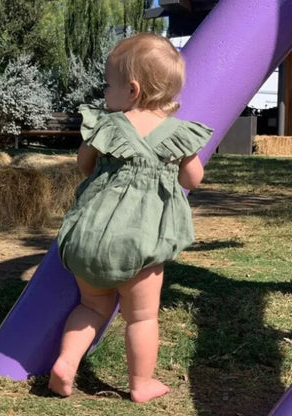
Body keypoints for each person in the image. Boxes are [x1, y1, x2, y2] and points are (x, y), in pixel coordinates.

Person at [50, 33, 213, 403]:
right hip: (141, 243)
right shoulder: (178, 134)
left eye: (109, 85)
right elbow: (193, 180)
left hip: (90, 236)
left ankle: (66, 362)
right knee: (141, 317)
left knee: (91, 306)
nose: (105, 93)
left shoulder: (106, 125)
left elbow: (83, 165)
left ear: (133, 90)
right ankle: (141, 384)